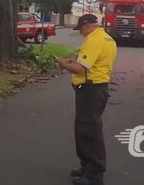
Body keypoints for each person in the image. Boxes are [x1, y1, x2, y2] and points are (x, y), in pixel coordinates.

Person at [56, 14, 117, 185]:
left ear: (87, 25)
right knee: (85, 129)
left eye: (81, 29)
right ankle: (87, 168)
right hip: (97, 89)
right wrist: (75, 61)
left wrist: (64, 64)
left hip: (91, 90)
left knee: (90, 132)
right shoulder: (107, 39)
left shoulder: (93, 40)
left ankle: (94, 175)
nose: (81, 33)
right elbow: (90, 63)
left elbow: (79, 70)